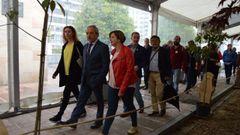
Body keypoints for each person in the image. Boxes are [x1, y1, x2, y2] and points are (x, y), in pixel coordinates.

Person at [59, 25, 110, 129]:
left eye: (91, 33)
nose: (88, 35)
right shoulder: (85, 46)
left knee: (99, 101)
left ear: (96, 34)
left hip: (96, 80)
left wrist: (99, 79)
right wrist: (82, 78)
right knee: (81, 101)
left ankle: (99, 121)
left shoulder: (103, 47)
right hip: (85, 80)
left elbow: (105, 66)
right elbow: (84, 65)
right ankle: (73, 120)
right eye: (87, 33)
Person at [100, 30, 138, 135]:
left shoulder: (127, 51)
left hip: (126, 86)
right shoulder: (113, 52)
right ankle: (104, 132)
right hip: (113, 85)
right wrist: (109, 80)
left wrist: (122, 89)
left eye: (112, 37)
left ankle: (134, 126)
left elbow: (129, 71)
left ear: (119, 38)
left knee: (129, 106)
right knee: (111, 109)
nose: (110, 39)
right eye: (110, 37)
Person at [49, 26, 83, 123]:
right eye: (65, 32)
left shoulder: (78, 44)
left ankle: (59, 115)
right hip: (66, 74)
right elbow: (62, 61)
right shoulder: (65, 45)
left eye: (69, 31)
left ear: (73, 33)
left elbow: (84, 59)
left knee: (66, 94)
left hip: (75, 74)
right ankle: (82, 109)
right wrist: (56, 72)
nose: (67, 33)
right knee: (76, 93)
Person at [146, 35, 171, 117]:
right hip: (150, 74)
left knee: (159, 93)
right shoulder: (148, 50)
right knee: (152, 93)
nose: (154, 42)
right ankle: (155, 110)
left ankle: (163, 108)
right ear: (150, 42)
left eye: (156, 40)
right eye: (152, 40)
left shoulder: (164, 50)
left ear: (159, 42)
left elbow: (168, 63)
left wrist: (167, 74)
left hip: (160, 74)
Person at [127, 32, 146, 113]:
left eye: (137, 37)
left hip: (136, 74)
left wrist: (138, 66)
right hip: (127, 74)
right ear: (131, 38)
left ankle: (141, 106)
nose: (136, 39)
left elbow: (144, 61)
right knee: (127, 92)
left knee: (136, 92)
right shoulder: (126, 48)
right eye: (134, 37)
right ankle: (127, 109)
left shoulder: (142, 49)